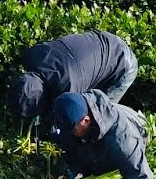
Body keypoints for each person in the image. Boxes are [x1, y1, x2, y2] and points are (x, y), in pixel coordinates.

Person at [51, 91, 153, 179]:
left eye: (72, 130)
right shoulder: (78, 112)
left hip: (136, 133)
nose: (70, 133)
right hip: (101, 133)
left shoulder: (122, 142)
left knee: (127, 172)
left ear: (86, 120)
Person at [9, 31, 139, 120]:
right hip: (104, 39)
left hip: (123, 64)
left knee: (98, 117)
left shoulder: (68, 90)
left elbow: (75, 117)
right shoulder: (33, 55)